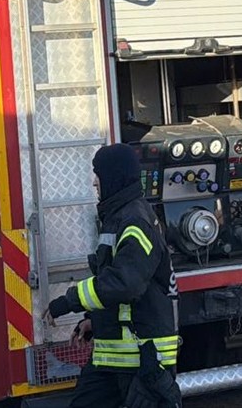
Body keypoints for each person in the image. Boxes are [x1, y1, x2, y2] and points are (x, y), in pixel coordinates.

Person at [43, 144, 181, 408]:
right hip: (115, 357)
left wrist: (68, 302)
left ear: (114, 176)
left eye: (99, 175)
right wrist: (93, 319)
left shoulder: (135, 221)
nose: (94, 182)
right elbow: (115, 279)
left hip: (141, 356)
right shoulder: (119, 217)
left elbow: (124, 283)